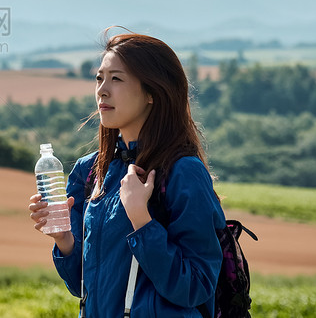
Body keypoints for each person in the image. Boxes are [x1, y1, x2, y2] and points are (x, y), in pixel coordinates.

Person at [28, 32, 225, 317]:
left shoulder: (183, 172)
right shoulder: (90, 171)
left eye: (116, 79)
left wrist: (141, 220)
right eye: (99, 78)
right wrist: (65, 241)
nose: (102, 90)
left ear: (152, 93)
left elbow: (197, 285)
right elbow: (85, 287)